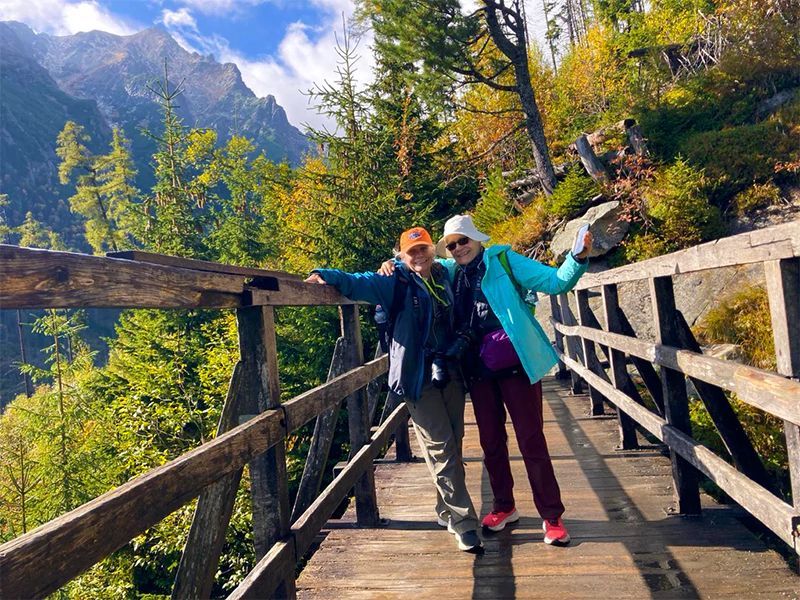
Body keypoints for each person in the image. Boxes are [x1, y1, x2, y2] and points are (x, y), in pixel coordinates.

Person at [379, 215, 592, 546]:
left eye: (463, 240)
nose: (458, 248)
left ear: (477, 239)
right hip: (476, 370)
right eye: (451, 245)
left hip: (514, 363)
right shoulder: (450, 272)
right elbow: (417, 263)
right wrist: (390, 264)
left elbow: (555, 282)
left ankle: (552, 516)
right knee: (491, 443)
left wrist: (577, 258)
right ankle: (504, 506)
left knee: (531, 439)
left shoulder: (504, 260)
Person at [304, 226, 483, 553]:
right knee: (441, 445)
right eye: (411, 251)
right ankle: (465, 523)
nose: (419, 255)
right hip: (418, 376)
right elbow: (358, 282)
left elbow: (473, 263)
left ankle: (444, 509)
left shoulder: (444, 274)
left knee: (454, 442)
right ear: (401, 254)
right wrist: (323, 275)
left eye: (423, 249)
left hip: (450, 370)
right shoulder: (393, 281)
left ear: (432, 250)